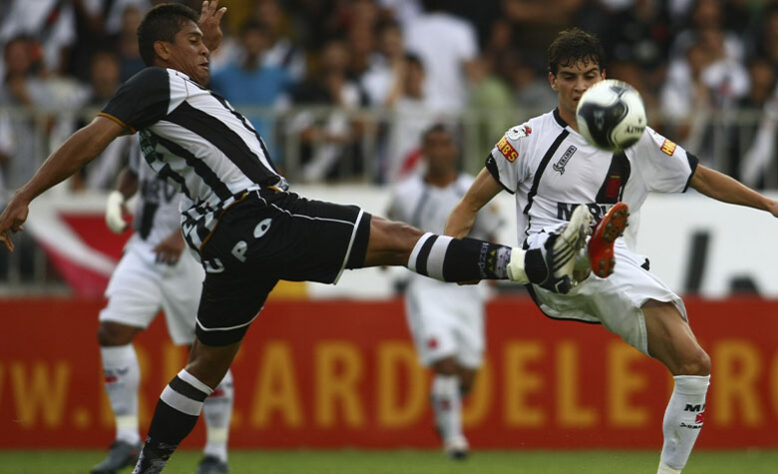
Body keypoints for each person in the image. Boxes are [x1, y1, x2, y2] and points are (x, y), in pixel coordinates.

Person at [0, 4, 592, 472]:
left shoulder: (180, 96)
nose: (207, 52)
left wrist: (201, 38)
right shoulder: (155, 83)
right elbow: (92, 137)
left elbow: (192, 109)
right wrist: (26, 193)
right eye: (195, 46)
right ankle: (531, 265)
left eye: (208, 46)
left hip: (224, 245)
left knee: (204, 366)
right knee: (394, 237)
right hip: (259, 214)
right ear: (163, 52)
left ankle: (147, 465)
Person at [444, 28, 778, 474]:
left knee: (695, 363)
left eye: (588, 76)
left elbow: (699, 176)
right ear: (552, 80)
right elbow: (469, 204)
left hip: (614, 267)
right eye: (568, 77)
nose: (579, 87)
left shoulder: (632, 136)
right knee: (567, 251)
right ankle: (580, 249)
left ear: (603, 77)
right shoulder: (524, 140)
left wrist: (770, 204)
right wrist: (448, 260)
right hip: (545, 262)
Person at [92, 139, 233, 474]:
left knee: (206, 354)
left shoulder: (199, 132)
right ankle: (126, 438)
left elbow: (224, 195)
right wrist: (118, 198)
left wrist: (181, 236)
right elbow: (133, 171)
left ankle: (217, 453)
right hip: (144, 247)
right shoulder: (141, 128)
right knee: (112, 331)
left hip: (192, 254)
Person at [386, 124, 501, 459]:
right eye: (432, 144)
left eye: (445, 144)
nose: (439, 151)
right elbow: (391, 230)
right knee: (445, 364)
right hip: (426, 287)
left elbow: (491, 232)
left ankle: (443, 404)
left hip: (466, 290)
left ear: (454, 150)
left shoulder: (472, 188)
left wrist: (490, 275)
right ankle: (455, 441)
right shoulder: (406, 194)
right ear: (423, 151)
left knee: (467, 377)